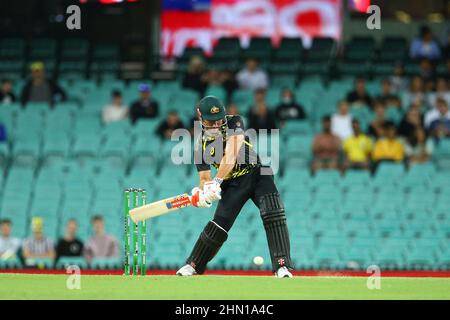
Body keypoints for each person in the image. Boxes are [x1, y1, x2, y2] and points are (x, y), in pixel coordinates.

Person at [176, 96, 294, 278]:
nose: (216, 125)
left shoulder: (234, 122)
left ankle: (282, 266)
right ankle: (193, 265)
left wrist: (216, 182)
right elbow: (204, 178)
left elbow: (231, 153)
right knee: (218, 226)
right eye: (211, 121)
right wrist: (203, 194)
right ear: (200, 117)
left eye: (219, 120)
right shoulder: (201, 147)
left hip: (257, 173)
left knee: (273, 213)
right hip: (233, 184)